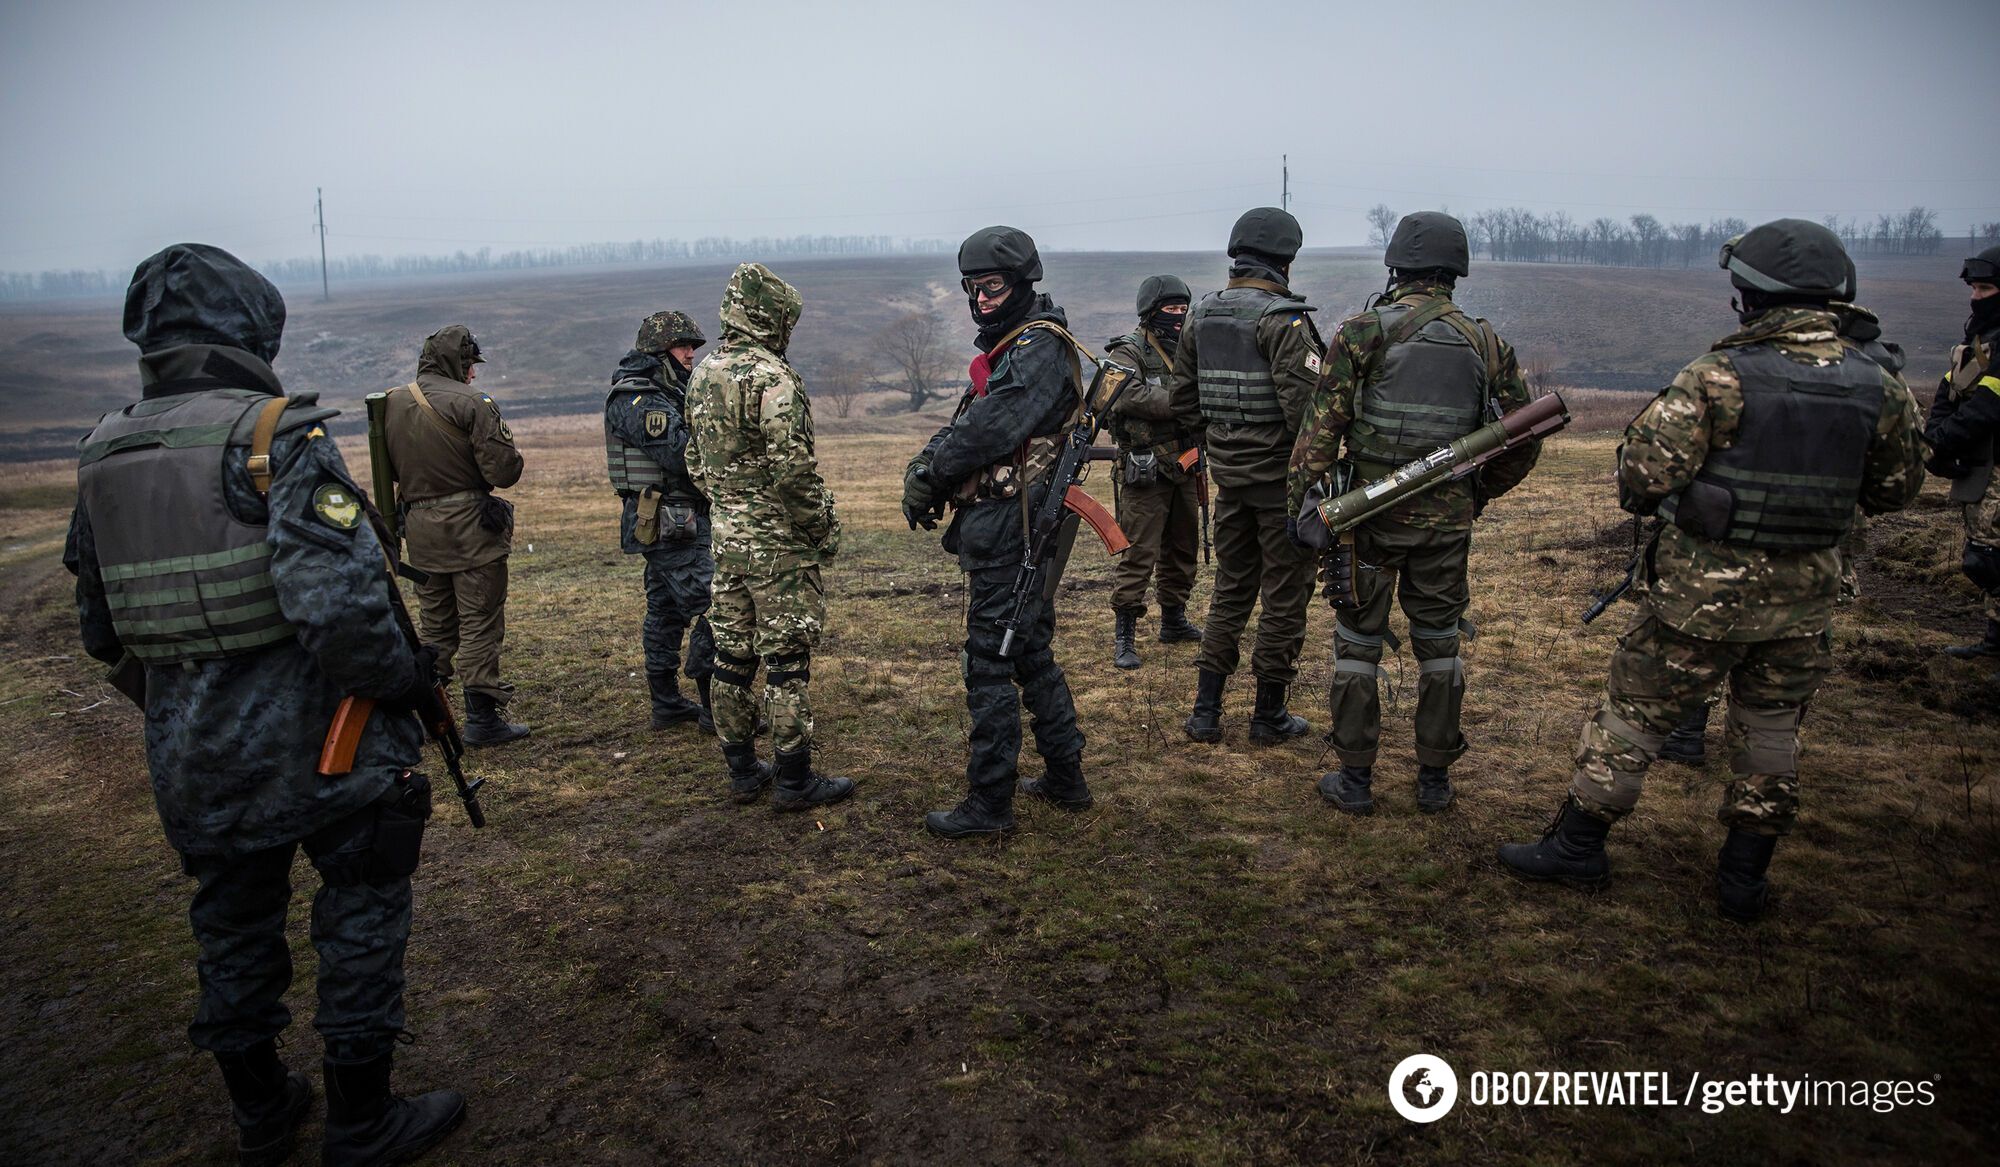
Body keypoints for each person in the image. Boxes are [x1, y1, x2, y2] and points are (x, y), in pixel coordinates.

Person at [66, 243, 464, 1165]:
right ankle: (363, 1118)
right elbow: (346, 616)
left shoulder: (102, 452)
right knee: (361, 909)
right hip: (324, 745)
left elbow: (102, 630)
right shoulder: (274, 439)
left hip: (191, 756)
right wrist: (407, 684)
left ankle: (260, 1109)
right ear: (251, 328)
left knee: (231, 926)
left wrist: (186, 702)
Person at [1498, 219, 1926, 921]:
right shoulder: (1879, 383)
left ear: (1750, 298)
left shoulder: (1718, 376)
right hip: (1807, 597)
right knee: (1770, 727)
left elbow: (1639, 476)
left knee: (1635, 711)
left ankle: (1578, 847)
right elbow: (1894, 489)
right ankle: (1742, 879)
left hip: (1702, 596)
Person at [1289, 211, 1542, 814]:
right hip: (1446, 527)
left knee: (1356, 643)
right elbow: (1523, 435)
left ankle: (1354, 782)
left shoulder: (1360, 333)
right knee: (1441, 644)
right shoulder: (1486, 342)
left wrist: (1303, 503)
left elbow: (1320, 434)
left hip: (1366, 520)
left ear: (1395, 265)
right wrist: (1477, 496)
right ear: (1455, 271)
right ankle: (1434, 783)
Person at [1657, 291, 1903, 765]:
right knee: (1788, 650)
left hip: (1733, 547)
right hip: (1814, 552)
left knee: (1710, 632)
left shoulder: (1728, 372)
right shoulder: (1873, 379)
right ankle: (1759, 765)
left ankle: (1693, 733)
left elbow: (1650, 471)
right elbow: (1895, 488)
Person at [903, 226, 1092, 837]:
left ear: (1022, 283)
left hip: (1014, 526)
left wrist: (932, 474)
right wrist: (925, 469)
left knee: (991, 660)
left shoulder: (1036, 348)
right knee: (1029, 649)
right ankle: (1066, 779)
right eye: (972, 287)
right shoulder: (1016, 342)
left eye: (993, 286)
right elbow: (968, 416)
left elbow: (988, 430)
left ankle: (990, 804)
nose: (981, 298)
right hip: (1004, 522)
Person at [685, 263, 851, 809]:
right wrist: (821, 525)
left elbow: (695, 460)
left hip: (727, 538)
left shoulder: (703, 373)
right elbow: (794, 471)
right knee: (785, 660)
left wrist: (729, 505)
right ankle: (795, 779)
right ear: (771, 318)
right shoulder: (773, 378)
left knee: (731, 655)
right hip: (776, 546)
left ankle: (740, 769)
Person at [1169, 207, 1323, 745]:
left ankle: (1205, 714)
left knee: (1230, 591)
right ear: (1285, 259)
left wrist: (1223, 445)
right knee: (1284, 595)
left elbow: (1183, 402)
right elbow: (1308, 414)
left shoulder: (1200, 315)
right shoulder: (1283, 320)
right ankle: (1268, 716)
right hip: (1281, 486)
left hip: (1229, 480)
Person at [379, 324, 528, 746]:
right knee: (480, 619)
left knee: (435, 626)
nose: (474, 374)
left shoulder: (390, 403)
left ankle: (430, 719)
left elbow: (385, 470)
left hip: (421, 532)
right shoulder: (472, 403)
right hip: (471, 531)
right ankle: (483, 719)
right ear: (455, 363)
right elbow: (502, 471)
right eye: (469, 364)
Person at [605, 310, 719, 730]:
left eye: (693, 346)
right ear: (659, 350)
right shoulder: (638, 398)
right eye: (683, 345)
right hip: (670, 521)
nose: (691, 353)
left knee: (666, 609)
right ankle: (717, 709)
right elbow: (679, 453)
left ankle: (667, 704)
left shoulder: (670, 391)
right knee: (714, 605)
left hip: (678, 518)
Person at [1104, 275, 1204, 669]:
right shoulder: (1127, 351)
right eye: (1171, 309)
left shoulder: (1190, 350)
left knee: (1183, 548)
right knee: (1140, 553)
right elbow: (1124, 394)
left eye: (1183, 309)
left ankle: (1174, 620)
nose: (1178, 317)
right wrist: (1184, 403)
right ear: (1151, 312)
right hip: (1145, 470)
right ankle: (1125, 634)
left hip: (1187, 464)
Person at [1925, 243, 2000, 669]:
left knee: (1991, 558)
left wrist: (1942, 441)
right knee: (1986, 557)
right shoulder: (1979, 339)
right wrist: (1935, 439)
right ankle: (1994, 642)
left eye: (1985, 288)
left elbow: (1988, 406)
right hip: (1980, 466)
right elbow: (1948, 391)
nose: (1976, 296)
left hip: (1993, 462)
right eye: (1974, 288)